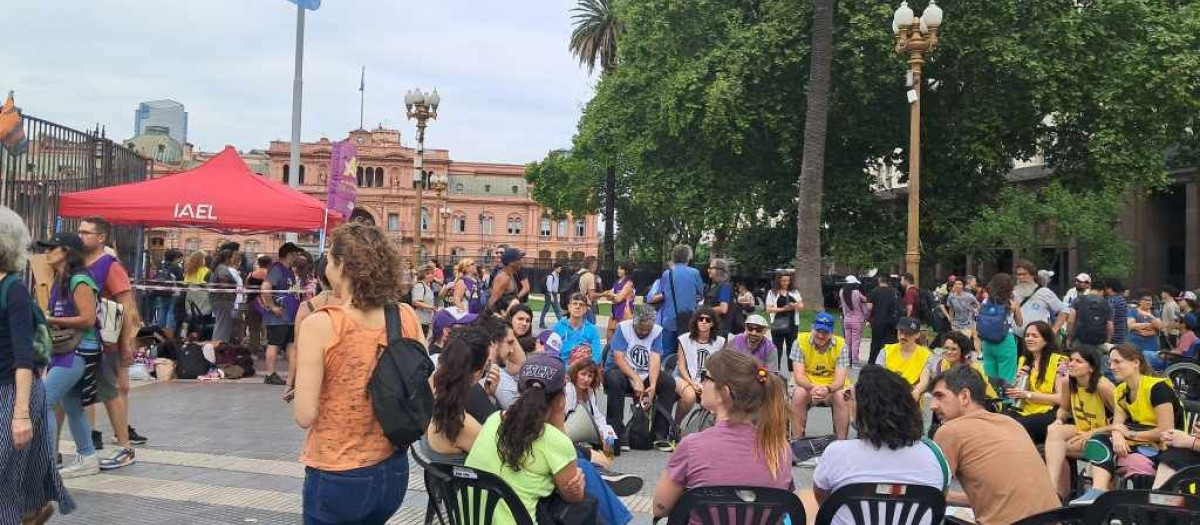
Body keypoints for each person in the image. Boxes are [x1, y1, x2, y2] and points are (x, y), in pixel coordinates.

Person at [293, 222, 424, 525]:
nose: (326, 264)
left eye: (329, 258)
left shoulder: (321, 324)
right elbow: (422, 384)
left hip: (337, 470)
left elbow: (304, 415)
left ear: (342, 267)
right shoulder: (404, 315)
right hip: (392, 467)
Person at [651, 350, 794, 520]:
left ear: (724, 392)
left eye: (706, 376)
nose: (701, 382)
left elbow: (660, 508)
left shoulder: (692, 446)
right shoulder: (780, 448)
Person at [2, 210, 75, 524]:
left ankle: (24, 511)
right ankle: (31, 511)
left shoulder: (13, 289)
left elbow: (23, 356)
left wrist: (20, 414)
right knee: (16, 471)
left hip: (13, 391)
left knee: (6, 472)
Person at [465, 353, 594, 525]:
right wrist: (558, 418)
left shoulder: (495, 419)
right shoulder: (555, 440)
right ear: (560, 398)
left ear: (520, 391)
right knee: (587, 504)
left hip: (467, 518)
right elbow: (574, 497)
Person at [814, 366, 948, 525]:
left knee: (807, 501)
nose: (848, 402)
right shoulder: (933, 455)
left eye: (850, 396)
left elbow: (825, 503)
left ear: (865, 408)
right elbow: (939, 502)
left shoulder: (836, 453)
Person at [928, 366, 1060, 525]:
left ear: (964, 396)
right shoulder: (1011, 423)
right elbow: (1005, 493)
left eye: (940, 396)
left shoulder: (949, 431)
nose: (932, 406)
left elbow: (929, 494)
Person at [1070, 344, 1181, 506]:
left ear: (1136, 363)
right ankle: (1098, 491)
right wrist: (1117, 435)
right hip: (1138, 442)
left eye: (1117, 362)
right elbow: (1117, 424)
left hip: (1166, 448)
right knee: (1098, 440)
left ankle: (1135, 506)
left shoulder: (1157, 388)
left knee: (1130, 459)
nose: (1112, 367)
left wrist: (1129, 435)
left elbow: (1167, 431)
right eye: (1110, 363)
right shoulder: (1121, 390)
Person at [76, 217, 143, 469]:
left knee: (109, 393)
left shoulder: (110, 265)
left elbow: (127, 306)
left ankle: (125, 446)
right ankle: (90, 440)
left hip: (106, 342)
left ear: (101, 237)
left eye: (86, 232)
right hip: (84, 339)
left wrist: (127, 343)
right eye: (80, 231)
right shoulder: (79, 262)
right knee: (82, 395)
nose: (80, 235)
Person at [38, 232, 102, 479]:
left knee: (43, 402)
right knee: (72, 406)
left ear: (66, 251)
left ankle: (47, 463)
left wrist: (50, 319)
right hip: (68, 350)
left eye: (52, 248)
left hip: (77, 351)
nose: (47, 252)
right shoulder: (63, 279)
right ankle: (87, 458)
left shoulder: (79, 280)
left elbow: (88, 319)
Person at [1043, 344, 1115, 499]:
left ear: (1091, 367)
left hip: (1103, 435)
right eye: (1071, 360)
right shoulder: (1068, 382)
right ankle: (1053, 489)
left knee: (1056, 450)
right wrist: (1058, 420)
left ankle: (1061, 493)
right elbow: (1064, 409)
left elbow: (1122, 422)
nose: (1071, 364)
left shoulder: (1102, 387)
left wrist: (1092, 433)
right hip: (1082, 429)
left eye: (1078, 361)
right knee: (1053, 431)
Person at [604, 305, 677, 450]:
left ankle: (659, 434)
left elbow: (655, 358)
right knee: (614, 380)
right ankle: (618, 431)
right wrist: (635, 379)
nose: (644, 332)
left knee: (669, 382)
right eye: (641, 328)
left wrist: (653, 386)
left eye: (647, 329)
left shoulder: (656, 331)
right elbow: (619, 357)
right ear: (634, 322)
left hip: (645, 371)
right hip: (623, 369)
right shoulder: (623, 328)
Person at [420, 337, 489, 464]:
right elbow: (499, 463)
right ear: (478, 373)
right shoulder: (462, 423)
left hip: (438, 479)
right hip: (463, 481)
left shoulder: (429, 391)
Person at [789, 312, 852, 442]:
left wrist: (827, 389)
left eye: (826, 332)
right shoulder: (800, 341)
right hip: (807, 384)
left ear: (832, 332)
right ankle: (797, 441)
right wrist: (812, 388)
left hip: (832, 386)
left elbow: (840, 380)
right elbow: (798, 375)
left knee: (841, 396)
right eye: (818, 330)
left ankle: (841, 443)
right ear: (812, 328)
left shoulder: (841, 345)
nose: (821, 335)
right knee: (799, 394)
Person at [1003, 321, 1067, 443]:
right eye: (1027, 335)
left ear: (1046, 339)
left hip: (1049, 411)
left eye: (1035, 336)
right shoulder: (1023, 360)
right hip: (1025, 408)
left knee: (1015, 426)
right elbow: (1018, 395)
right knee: (999, 421)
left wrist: (1027, 394)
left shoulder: (1060, 362)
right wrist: (1018, 382)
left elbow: (1061, 399)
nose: (1029, 339)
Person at [673, 307, 726, 428]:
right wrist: (692, 383)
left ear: (712, 323)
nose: (703, 322)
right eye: (700, 319)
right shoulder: (685, 339)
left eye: (707, 320)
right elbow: (681, 366)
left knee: (721, 398)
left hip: (707, 380)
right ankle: (675, 426)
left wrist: (707, 385)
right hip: (683, 377)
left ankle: (712, 432)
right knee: (690, 396)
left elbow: (720, 368)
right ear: (695, 321)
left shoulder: (720, 342)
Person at [261, 242, 304, 388]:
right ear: (289, 254)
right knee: (274, 344)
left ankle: (294, 373)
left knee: (292, 345)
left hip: (290, 317)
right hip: (278, 317)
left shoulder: (289, 271)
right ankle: (270, 374)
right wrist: (272, 306)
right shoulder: (277, 270)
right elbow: (265, 288)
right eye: (296, 254)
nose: (298, 256)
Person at [657, 245, 705, 358]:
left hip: (669, 319)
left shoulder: (666, 274)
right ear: (688, 257)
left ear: (673, 257)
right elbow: (701, 293)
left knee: (667, 353)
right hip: (688, 319)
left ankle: (666, 373)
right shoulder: (694, 273)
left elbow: (663, 293)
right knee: (686, 353)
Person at [979, 272, 1023, 384]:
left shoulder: (985, 301)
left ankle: (992, 399)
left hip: (987, 342)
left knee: (990, 377)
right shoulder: (1012, 302)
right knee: (1006, 377)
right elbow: (1019, 323)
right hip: (1005, 341)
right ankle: (1005, 401)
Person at [874, 317, 932, 399]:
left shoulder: (925, 355)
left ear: (917, 334)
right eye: (900, 332)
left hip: (911, 399)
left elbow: (924, 380)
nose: (903, 336)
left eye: (908, 333)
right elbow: (878, 375)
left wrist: (917, 390)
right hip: (887, 396)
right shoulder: (886, 351)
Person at [1013, 260, 1068, 333]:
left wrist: (1054, 331)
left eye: (1024, 274)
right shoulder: (1012, 292)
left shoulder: (1044, 292)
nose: (1021, 277)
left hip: (1038, 339)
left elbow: (1064, 310)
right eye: (1019, 274)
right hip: (1015, 339)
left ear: (1032, 275)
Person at [551, 293, 604, 365]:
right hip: (562, 367)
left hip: (584, 369)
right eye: (575, 303)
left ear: (585, 309)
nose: (578, 307)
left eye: (581, 304)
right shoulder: (558, 327)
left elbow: (597, 355)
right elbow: (552, 351)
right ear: (569, 307)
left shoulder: (593, 330)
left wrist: (589, 368)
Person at [765, 272, 803, 371]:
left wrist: (793, 305)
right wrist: (783, 309)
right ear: (779, 281)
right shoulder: (772, 292)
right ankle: (775, 371)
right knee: (777, 348)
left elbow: (801, 306)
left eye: (788, 281)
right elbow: (768, 309)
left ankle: (792, 373)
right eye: (783, 281)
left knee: (792, 349)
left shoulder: (794, 292)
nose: (786, 283)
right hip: (778, 323)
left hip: (792, 324)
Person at [148, 248, 184, 339]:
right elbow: (181, 280)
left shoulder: (161, 265)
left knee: (162, 310)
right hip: (173, 293)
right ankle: (169, 333)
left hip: (162, 292)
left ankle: (159, 332)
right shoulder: (176, 267)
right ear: (175, 257)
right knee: (171, 312)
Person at [865, 276, 901, 366]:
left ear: (879, 280)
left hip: (878, 322)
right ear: (888, 282)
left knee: (876, 343)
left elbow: (869, 307)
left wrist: (869, 318)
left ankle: (873, 363)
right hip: (891, 322)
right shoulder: (894, 292)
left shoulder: (874, 291)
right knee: (890, 343)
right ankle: (889, 361)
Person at [207, 247, 239, 344]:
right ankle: (217, 347)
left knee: (221, 324)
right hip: (223, 301)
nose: (234, 259)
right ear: (227, 258)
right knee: (223, 327)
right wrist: (228, 292)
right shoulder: (223, 268)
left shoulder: (219, 267)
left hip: (220, 300)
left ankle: (217, 346)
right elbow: (223, 280)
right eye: (233, 257)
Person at [1127, 290, 1164, 367]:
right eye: (1145, 300)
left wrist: (1150, 316)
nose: (1148, 302)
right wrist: (1150, 324)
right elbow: (1131, 325)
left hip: (1152, 345)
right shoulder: (1133, 311)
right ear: (1139, 301)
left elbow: (1160, 327)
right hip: (1135, 344)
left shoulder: (1155, 312)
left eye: (1149, 300)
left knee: (1151, 366)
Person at [244, 255, 271, 353]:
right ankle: (268, 348)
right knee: (268, 328)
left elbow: (246, 287)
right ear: (269, 264)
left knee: (253, 328)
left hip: (251, 302)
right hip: (266, 304)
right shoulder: (269, 275)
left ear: (259, 264)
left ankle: (253, 350)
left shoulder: (250, 275)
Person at [839, 276, 867, 365]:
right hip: (857, 320)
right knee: (856, 341)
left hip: (846, 319)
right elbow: (865, 300)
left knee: (847, 341)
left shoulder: (841, 292)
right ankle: (854, 361)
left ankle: (847, 360)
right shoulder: (857, 293)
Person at [703, 259, 734, 337]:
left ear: (719, 270)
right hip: (713, 329)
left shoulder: (725, 286)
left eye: (711, 268)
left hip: (719, 332)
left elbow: (723, 309)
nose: (708, 270)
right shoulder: (715, 286)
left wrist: (703, 311)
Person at [607, 261, 636, 341]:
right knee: (609, 336)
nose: (618, 270)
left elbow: (618, 299)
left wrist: (614, 296)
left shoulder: (628, 283)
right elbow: (608, 296)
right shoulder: (617, 282)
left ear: (626, 271)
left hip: (624, 312)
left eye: (620, 269)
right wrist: (615, 295)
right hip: (614, 311)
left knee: (622, 338)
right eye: (618, 268)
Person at [410, 266, 437, 337]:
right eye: (428, 273)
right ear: (422, 275)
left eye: (432, 273)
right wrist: (432, 307)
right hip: (420, 320)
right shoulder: (419, 285)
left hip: (426, 321)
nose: (431, 275)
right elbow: (415, 302)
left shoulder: (427, 286)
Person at [1104, 278, 1129, 344]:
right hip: (1121, 335)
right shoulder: (1122, 300)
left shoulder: (1109, 301)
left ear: (1109, 288)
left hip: (1111, 337)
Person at [540, 263, 565, 327]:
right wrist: (551, 296)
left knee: (556, 309)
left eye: (561, 268)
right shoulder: (551, 276)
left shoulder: (557, 276)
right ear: (555, 268)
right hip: (550, 294)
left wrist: (556, 294)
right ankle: (541, 323)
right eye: (559, 268)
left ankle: (561, 323)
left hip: (554, 294)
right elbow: (549, 286)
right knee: (547, 308)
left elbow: (555, 286)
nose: (560, 269)